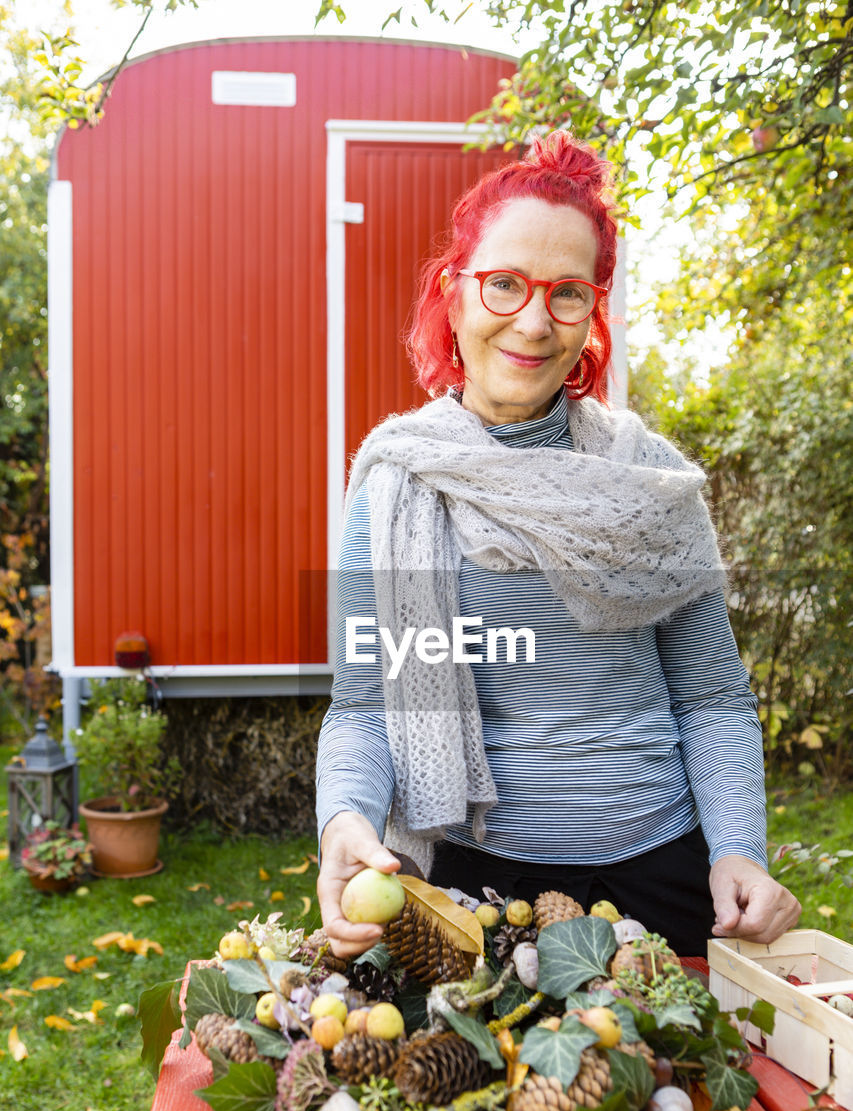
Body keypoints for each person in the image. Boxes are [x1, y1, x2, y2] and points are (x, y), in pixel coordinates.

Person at [315, 131, 800, 960]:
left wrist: (738, 850)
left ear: (590, 313)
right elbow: (365, 704)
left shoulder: (649, 481)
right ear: (455, 293)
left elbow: (710, 693)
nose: (533, 322)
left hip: (664, 882)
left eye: (566, 293)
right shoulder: (397, 483)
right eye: (503, 285)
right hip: (476, 882)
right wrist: (344, 818)